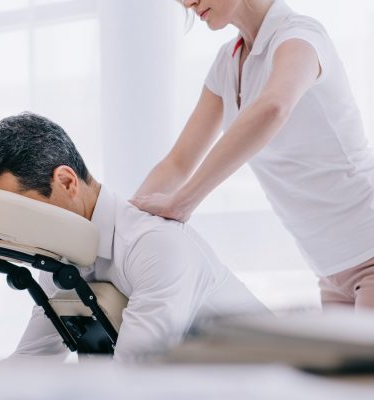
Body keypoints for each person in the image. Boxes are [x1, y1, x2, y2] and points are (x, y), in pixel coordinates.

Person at [130, 0, 374, 311]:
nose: (186, 3)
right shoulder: (227, 64)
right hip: (329, 270)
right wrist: (125, 225)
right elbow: (178, 161)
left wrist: (181, 202)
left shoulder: (300, 36)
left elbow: (274, 107)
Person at [0, 112, 267, 363]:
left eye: (21, 210)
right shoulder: (59, 262)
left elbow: (131, 381)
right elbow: (31, 363)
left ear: (66, 182)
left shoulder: (153, 246)